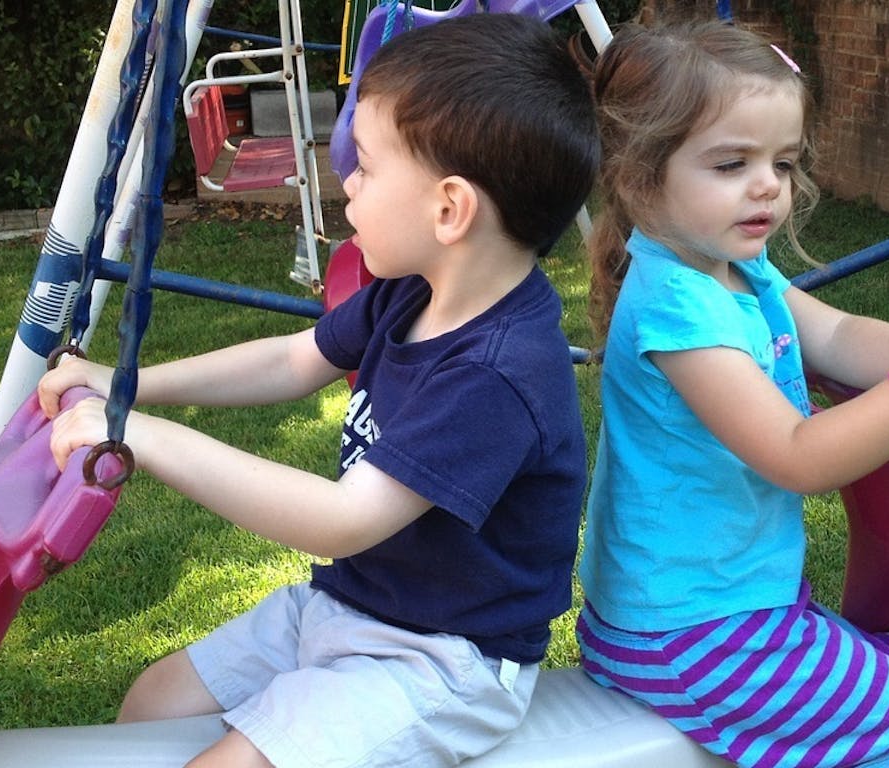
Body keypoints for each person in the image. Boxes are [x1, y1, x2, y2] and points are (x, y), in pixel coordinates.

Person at [37, 13, 600, 768]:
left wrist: (141, 439)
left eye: (364, 166)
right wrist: (124, 389)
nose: (348, 183)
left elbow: (341, 522)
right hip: (348, 606)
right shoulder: (412, 292)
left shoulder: (498, 372)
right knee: (153, 704)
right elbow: (292, 360)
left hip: (441, 660)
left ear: (449, 209)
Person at [575, 20, 889, 768]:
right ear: (638, 176)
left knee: (888, 686)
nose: (767, 187)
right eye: (731, 163)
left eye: (782, 163)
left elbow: (838, 334)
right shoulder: (677, 308)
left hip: (715, 608)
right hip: (687, 632)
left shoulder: (734, 271)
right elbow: (798, 457)